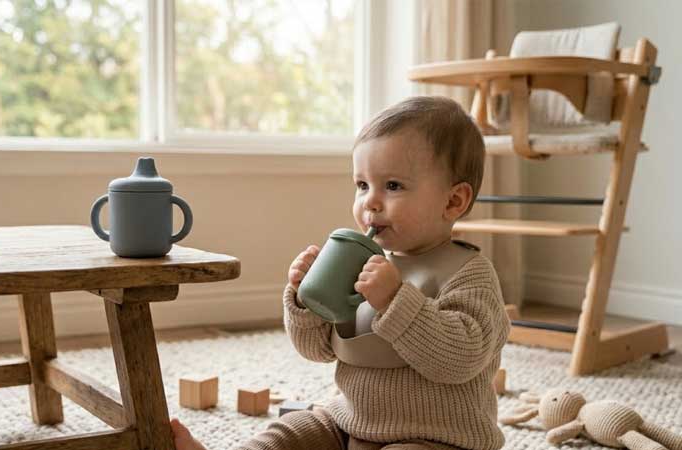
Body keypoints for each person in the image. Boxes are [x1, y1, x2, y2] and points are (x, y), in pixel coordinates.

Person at [171, 96, 511, 450]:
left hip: (435, 438)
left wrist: (395, 301)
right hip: (349, 422)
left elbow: (459, 359)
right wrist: (305, 300)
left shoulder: (469, 274)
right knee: (290, 431)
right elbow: (318, 350)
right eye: (362, 185)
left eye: (393, 186)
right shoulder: (362, 263)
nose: (370, 202)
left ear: (453, 201)